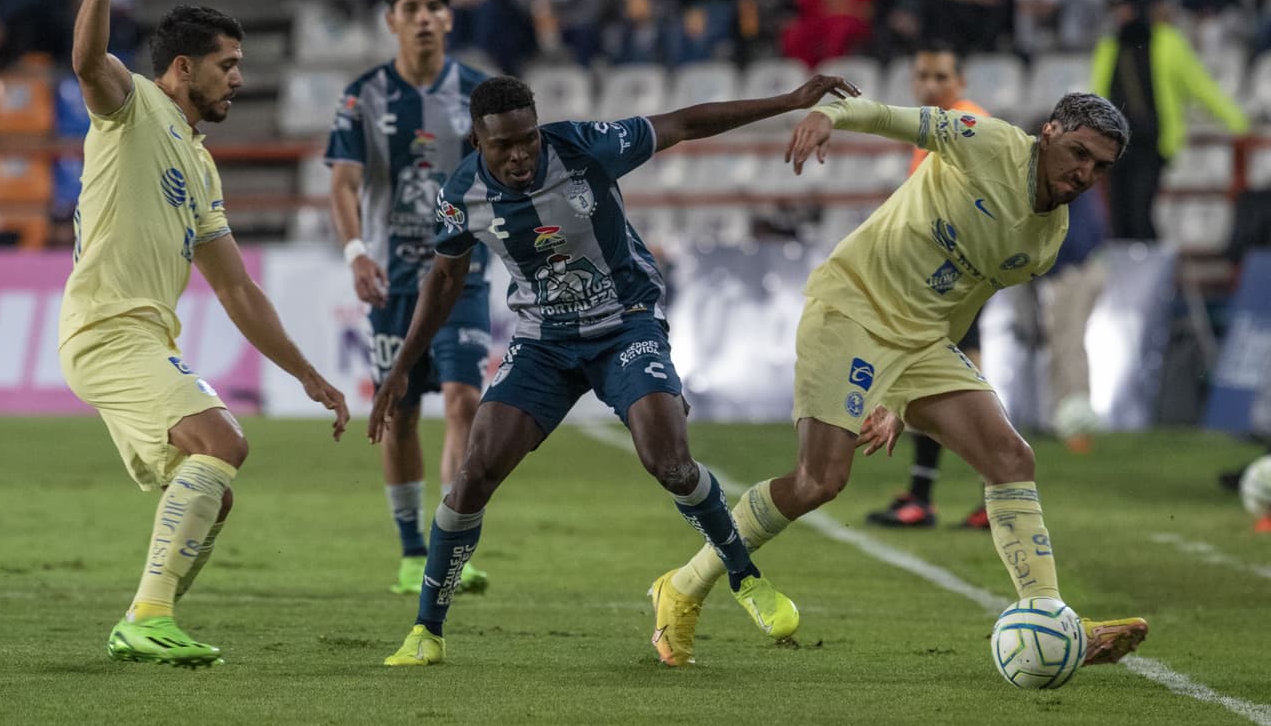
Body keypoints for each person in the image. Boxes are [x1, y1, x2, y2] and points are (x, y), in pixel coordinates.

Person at [368, 72, 857, 667]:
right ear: (477, 142)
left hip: (626, 324)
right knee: (473, 474)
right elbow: (445, 279)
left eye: (528, 138)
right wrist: (402, 367)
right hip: (544, 341)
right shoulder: (460, 194)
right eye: (504, 145)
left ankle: (745, 577)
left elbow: (684, 123)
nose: (521, 155)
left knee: (670, 462)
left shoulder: (583, 146)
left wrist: (788, 101)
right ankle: (427, 632)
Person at [651, 89, 1150, 670]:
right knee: (819, 481)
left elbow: (966, 300)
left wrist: (898, 397)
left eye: (1100, 167)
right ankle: (682, 587)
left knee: (1011, 457)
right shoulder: (988, 143)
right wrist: (828, 114)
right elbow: (889, 117)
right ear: (1050, 132)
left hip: (922, 341)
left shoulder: (1047, 238)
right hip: (851, 310)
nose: (1085, 173)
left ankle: (1049, 617)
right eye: (1079, 153)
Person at [59, 0, 349, 667]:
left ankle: (145, 620)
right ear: (183, 68)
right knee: (223, 441)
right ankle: (148, 617)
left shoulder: (200, 162)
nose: (239, 78)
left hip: (143, 335)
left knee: (213, 487)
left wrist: (308, 374)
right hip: (105, 328)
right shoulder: (133, 106)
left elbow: (237, 289)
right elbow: (87, 62)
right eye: (227, 64)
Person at [327, 0, 493, 597]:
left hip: (460, 276)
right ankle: (410, 551)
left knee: (465, 402)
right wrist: (355, 252)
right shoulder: (363, 96)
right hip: (392, 282)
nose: (424, 17)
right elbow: (343, 183)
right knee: (399, 413)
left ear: (448, 18)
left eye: (433, 7)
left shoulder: (477, 95)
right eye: (411, 7)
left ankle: (449, 547)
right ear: (391, 20)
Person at [866, 43, 990, 529]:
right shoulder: (934, 128)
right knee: (947, 382)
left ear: (960, 81)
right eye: (922, 76)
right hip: (947, 271)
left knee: (949, 383)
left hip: (955, 274)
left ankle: (972, 496)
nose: (930, 85)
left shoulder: (967, 124)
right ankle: (945, 495)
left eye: (940, 76)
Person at [1089, 0, 1249, 240]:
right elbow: (1097, 95)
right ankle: (1130, 263)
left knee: (1140, 216)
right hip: (1115, 146)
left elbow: (1200, 86)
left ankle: (1149, 262)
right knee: (1119, 220)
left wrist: (1237, 121)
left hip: (1150, 145)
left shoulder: (1167, 42)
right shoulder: (1109, 46)